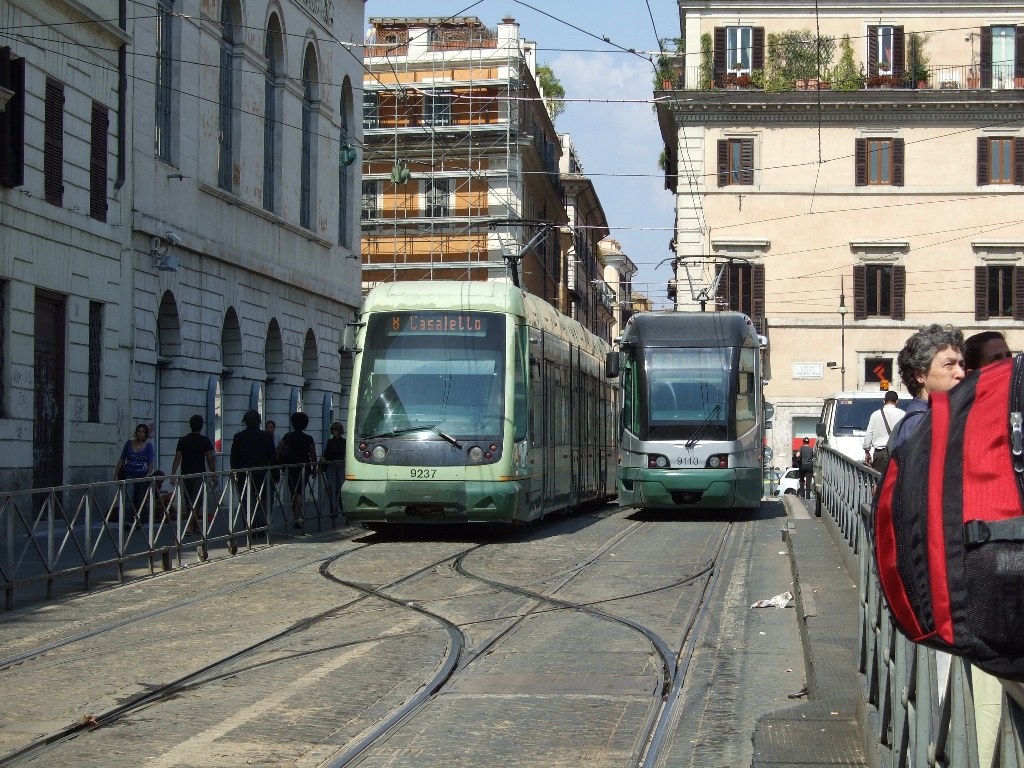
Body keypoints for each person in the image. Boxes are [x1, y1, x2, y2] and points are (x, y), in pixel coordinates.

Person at [891, 324, 965, 449]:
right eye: (948, 364)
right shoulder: (920, 424)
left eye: (962, 365)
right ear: (920, 375)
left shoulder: (936, 417)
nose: (961, 374)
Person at [229, 410, 278, 527]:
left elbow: (233, 458)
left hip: (244, 474)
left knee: (246, 500)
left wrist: (235, 472)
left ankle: (249, 524)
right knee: (264, 499)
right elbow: (273, 457)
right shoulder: (267, 436)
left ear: (245, 421)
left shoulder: (238, 437)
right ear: (259, 421)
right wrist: (276, 474)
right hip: (263, 473)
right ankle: (262, 522)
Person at [170, 414, 217, 535]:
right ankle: (189, 527)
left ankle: (195, 526)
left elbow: (177, 458)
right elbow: (210, 458)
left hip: (185, 474)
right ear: (201, 426)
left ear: (190, 426)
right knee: (197, 501)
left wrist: (173, 474)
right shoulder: (205, 440)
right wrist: (214, 474)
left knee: (189, 501)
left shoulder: (183, 440)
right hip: (199, 474)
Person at [278, 412, 317, 528]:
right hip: (304, 467)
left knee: (293, 491)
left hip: (291, 466)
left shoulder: (288, 436)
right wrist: (314, 468)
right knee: (299, 491)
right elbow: (313, 455)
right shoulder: (308, 438)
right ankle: (297, 518)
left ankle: (296, 515)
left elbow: (279, 449)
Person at [115, 424, 155, 521]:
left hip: (143, 474)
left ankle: (139, 520)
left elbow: (150, 461)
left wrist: (149, 473)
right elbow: (122, 459)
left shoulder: (149, 446)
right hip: (129, 472)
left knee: (140, 498)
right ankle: (127, 520)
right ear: (136, 432)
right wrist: (116, 475)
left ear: (146, 434)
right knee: (129, 496)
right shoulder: (129, 443)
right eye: (139, 431)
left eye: (143, 432)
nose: (140, 433)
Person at [862, 391, 905, 472]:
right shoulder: (902, 414)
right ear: (897, 401)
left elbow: (869, 434)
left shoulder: (875, 414)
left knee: (879, 478)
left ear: (884, 401)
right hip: (897, 454)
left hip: (880, 454)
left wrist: (867, 451)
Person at [320, 421, 346, 519]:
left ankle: (343, 509)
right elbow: (326, 453)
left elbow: (345, 455)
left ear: (340, 430)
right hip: (331, 466)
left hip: (340, 466)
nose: (334, 431)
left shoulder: (344, 442)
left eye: (336, 429)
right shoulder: (330, 441)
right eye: (333, 429)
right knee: (332, 489)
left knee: (341, 489)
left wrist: (342, 461)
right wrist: (323, 458)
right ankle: (333, 512)